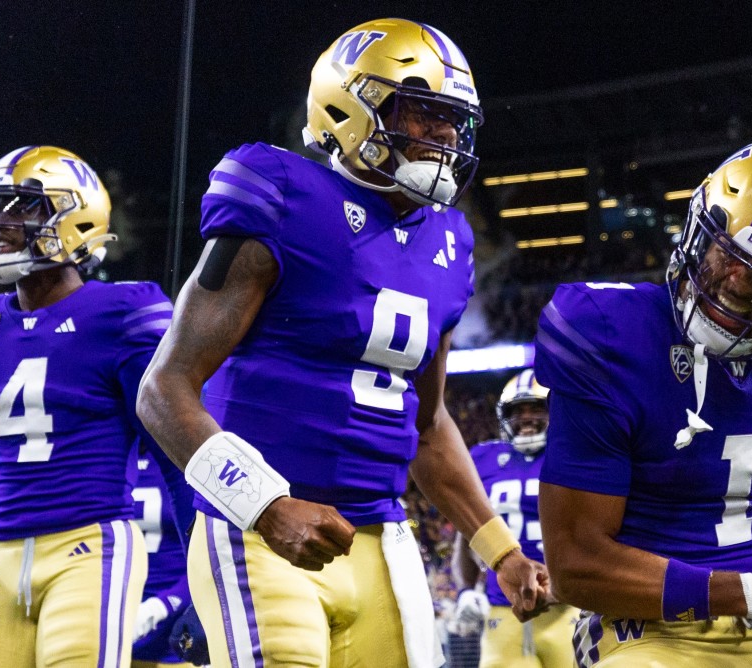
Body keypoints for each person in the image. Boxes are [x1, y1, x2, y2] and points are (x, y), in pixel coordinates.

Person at [137, 18, 547, 668]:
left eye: (453, 120)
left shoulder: (451, 243)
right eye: (423, 112)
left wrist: (501, 550)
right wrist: (265, 506)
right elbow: (163, 389)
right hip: (257, 538)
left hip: (381, 536)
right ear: (348, 106)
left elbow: (428, 423)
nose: (444, 135)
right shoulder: (280, 193)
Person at [535, 136, 752, 668]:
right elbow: (575, 562)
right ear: (697, 229)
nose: (735, 282)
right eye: (728, 253)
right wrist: (751, 591)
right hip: (644, 633)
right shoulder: (605, 331)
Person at [0, 146, 192, 667]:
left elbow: (173, 454)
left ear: (77, 217)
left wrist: (207, 577)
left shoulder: (120, 314)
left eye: (22, 207)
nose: (1, 223)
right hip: (1, 557)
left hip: (91, 549)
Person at [451, 370, 577, 668]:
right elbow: (466, 535)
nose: (526, 417)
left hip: (569, 608)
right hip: (502, 609)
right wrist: (466, 591)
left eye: (535, 408)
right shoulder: (484, 458)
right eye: (516, 410)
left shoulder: (574, 455)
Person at [132, 450, 205, 667]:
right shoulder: (106, 454)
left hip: (177, 636)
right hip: (110, 620)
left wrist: (161, 605)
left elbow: (206, 557)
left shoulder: (182, 455)